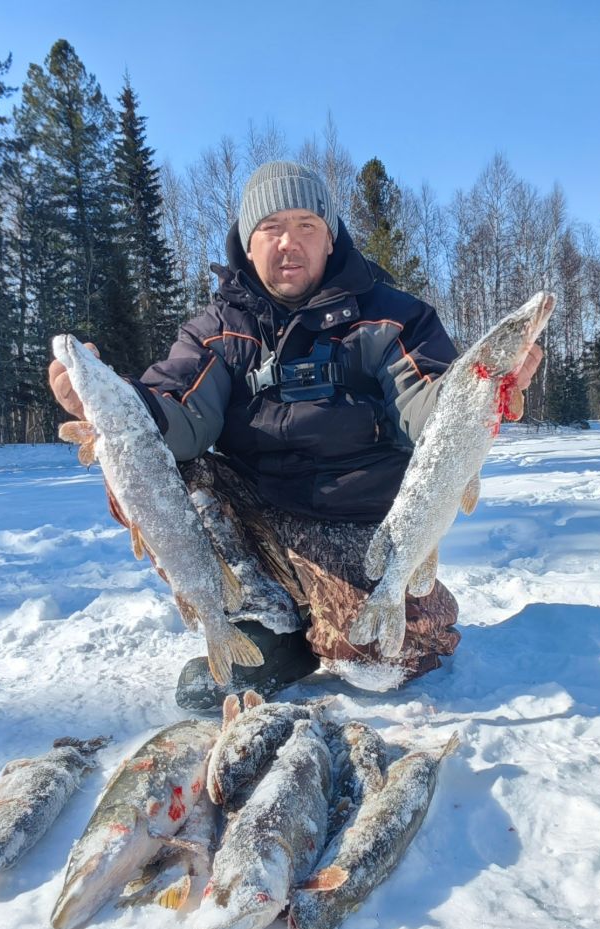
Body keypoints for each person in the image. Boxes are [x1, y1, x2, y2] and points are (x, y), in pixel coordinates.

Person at [49, 161, 540, 710]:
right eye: (271, 227)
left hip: (358, 522)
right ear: (246, 241)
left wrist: (482, 395)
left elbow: (428, 410)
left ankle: (339, 619)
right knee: (139, 457)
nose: (289, 243)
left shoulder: (396, 318)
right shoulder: (216, 329)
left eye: (307, 224)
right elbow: (177, 417)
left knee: (388, 655)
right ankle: (263, 626)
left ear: (330, 238)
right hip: (256, 517)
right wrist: (112, 402)